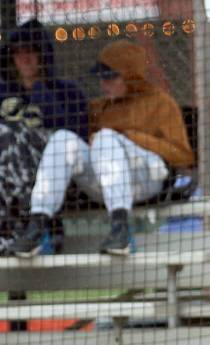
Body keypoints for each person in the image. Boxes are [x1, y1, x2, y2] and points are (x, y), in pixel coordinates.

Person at [10, 40, 194, 258]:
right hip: (106, 183)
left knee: (106, 137)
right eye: (101, 77)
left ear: (130, 76)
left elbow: (183, 156)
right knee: (62, 139)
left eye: (110, 77)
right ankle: (38, 225)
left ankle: (121, 230)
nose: (103, 83)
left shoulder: (161, 103)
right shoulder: (99, 107)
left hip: (147, 179)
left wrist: (129, 136)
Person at [0, 19, 88, 254]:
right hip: (7, 178)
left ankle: (38, 228)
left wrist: (40, 92)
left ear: (42, 55)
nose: (25, 59)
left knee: (12, 133)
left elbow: (75, 139)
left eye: (31, 51)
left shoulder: (68, 92)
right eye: (18, 53)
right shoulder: (3, 94)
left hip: (55, 176)